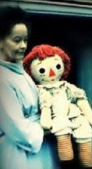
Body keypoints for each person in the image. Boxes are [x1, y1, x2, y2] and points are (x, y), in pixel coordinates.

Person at [0, 6, 59, 169]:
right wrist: (57, 123)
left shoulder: (21, 71)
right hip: (18, 155)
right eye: (17, 40)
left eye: (25, 40)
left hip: (42, 149)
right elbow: (19, 130)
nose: (23, 46)